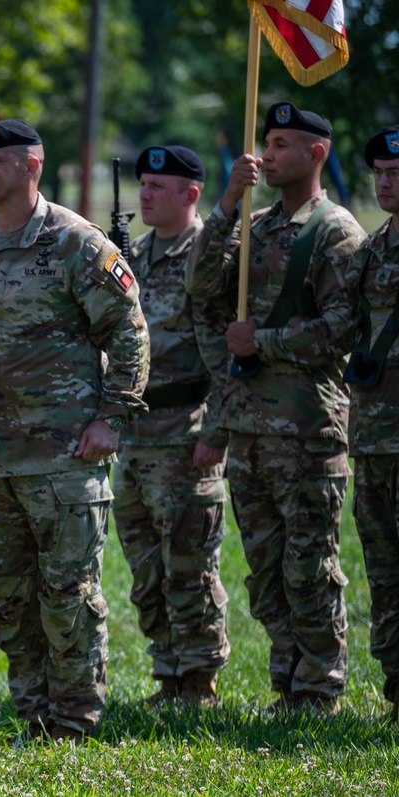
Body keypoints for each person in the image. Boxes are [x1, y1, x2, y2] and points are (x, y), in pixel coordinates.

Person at [0, 118, 149, 742]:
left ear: (32, 165)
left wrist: (111, 417)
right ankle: (32, 716)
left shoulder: (76, 242)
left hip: (66, 454)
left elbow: (129, 331)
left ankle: (75, 720)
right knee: (9, 603)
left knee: (67, 598)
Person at [185, 101, 365, 713]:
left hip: (308, 428)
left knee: (309, 566)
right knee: (265, 571)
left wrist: (261, 341)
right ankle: (286, 682)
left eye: (283, 143)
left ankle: (320, 687)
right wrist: (228, 205)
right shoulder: (255, 225)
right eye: (268, 141)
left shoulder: (336, 231)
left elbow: (342, 328)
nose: (268, 153)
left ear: (317, 153)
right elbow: (201, 284)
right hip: (252, 426)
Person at [113, 145, 232, 708]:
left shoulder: (209, 258)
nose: (144, 194)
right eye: (142, 184)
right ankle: (168, 673)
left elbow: (225, 357)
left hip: (186, 428)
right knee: (145, 569)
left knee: (189, 563)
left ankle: (199, 680)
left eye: (157, 186)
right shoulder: (133, 255)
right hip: (136, 434)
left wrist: (218, 430)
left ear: (190, 194)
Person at [345, 125, 399, 721]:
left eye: (396, 175)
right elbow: (340, 329)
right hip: (374, 438)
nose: (386, 184)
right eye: (380, 174)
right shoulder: (370, 251)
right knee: (384, 576)